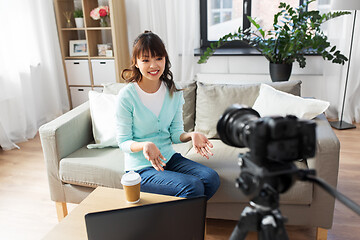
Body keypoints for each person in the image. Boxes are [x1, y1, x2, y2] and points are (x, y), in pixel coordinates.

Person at [115, 31, 220, 200]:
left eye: (158, 58)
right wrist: (144, 145)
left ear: (165, 59)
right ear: (135, 62)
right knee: (192, 187)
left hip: (169, 159)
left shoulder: (174, 91)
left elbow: (176, 133)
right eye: (146, 60)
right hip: (141, 168)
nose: (153, 65)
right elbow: (123, 142)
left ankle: (174, 220)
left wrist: (191, 135)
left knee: (210, 179)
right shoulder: (127, 96)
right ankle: (181, 224)